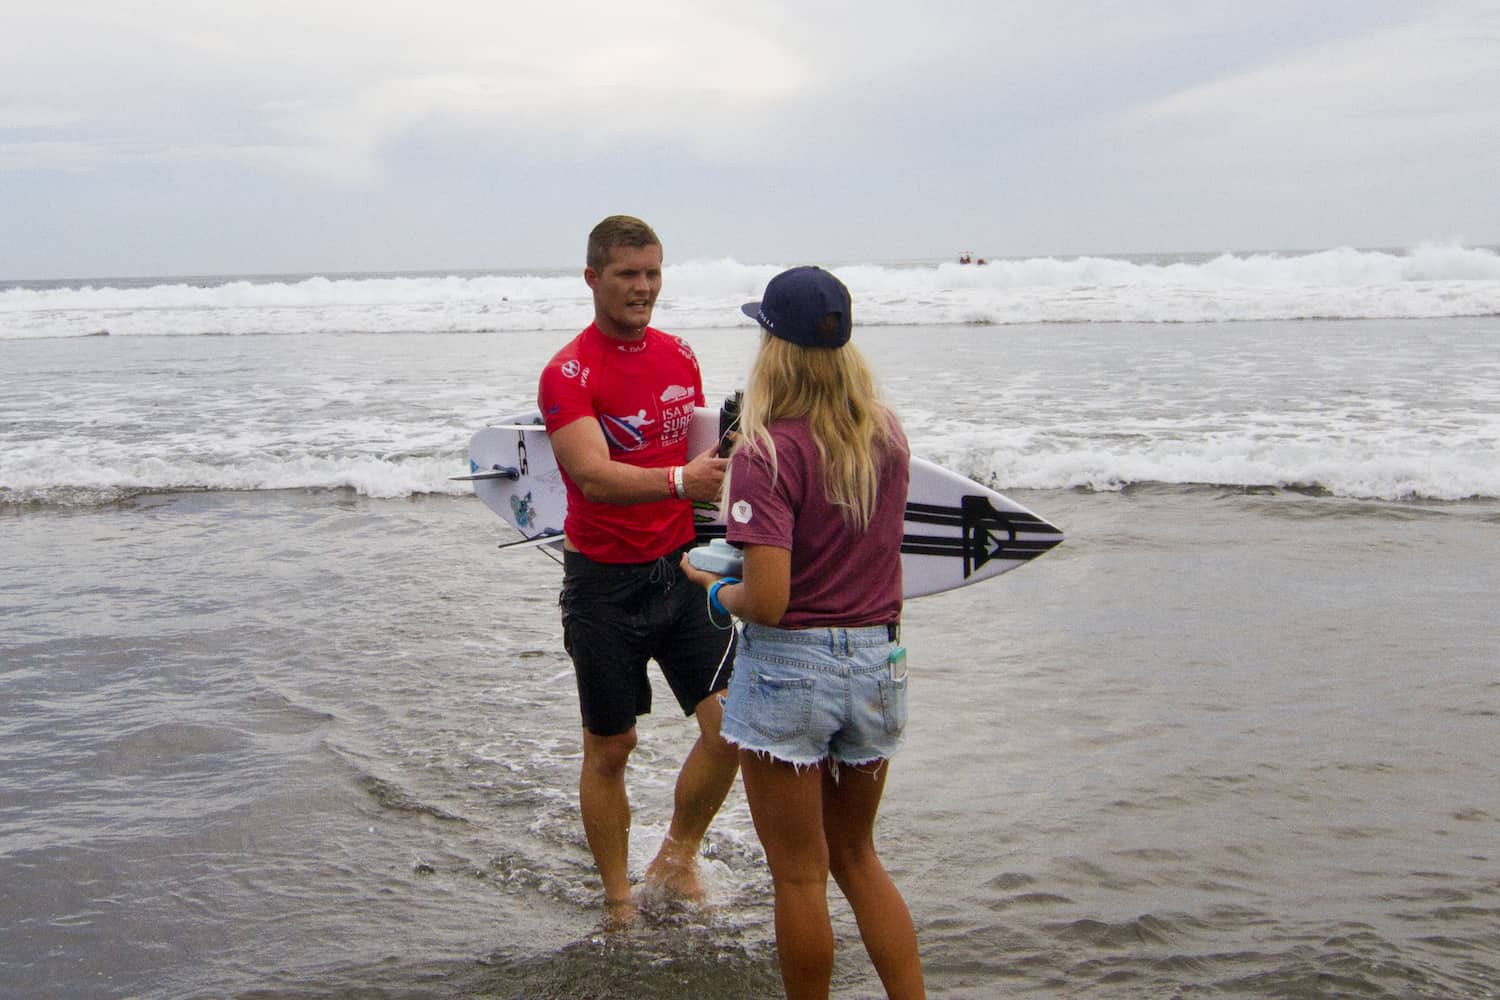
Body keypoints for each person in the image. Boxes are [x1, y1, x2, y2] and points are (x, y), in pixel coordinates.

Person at [680, 266, 924, 999]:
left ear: (772, 347)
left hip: (793, 670)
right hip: (880, 661)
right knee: (858, 858)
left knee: (798, 874)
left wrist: (714, 587)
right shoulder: (886, 435)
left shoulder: (766, 451)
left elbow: (773, 600)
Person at [538, 215, 738, 925]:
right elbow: (591, 476)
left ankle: (678, 857)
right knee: (612, 747)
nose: (643, 287)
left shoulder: (681, 356)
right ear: (593, 278)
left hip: (685, 570)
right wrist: (684, 482)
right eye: (627, 274)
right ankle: (619, 899)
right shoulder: (567, 374)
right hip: (604, 583)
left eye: (652, 273)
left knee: (732, 728)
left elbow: (708, 461)